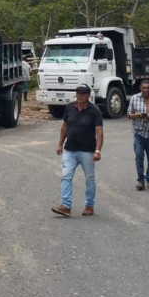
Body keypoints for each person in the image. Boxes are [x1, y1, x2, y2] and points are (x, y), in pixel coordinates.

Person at [52, 84, 103, 217]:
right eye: (78, 92)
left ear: (88, 95)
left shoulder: (94, 111)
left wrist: (98, 150)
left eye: (83, 93)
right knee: (66, 177)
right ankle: (66, 206)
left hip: (87, 151)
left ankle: (89, 206)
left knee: (89, 179)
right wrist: (60, 144)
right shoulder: (69, 108)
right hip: (70, 150)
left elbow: (99, 132)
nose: (80, 95)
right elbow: (64, 127)